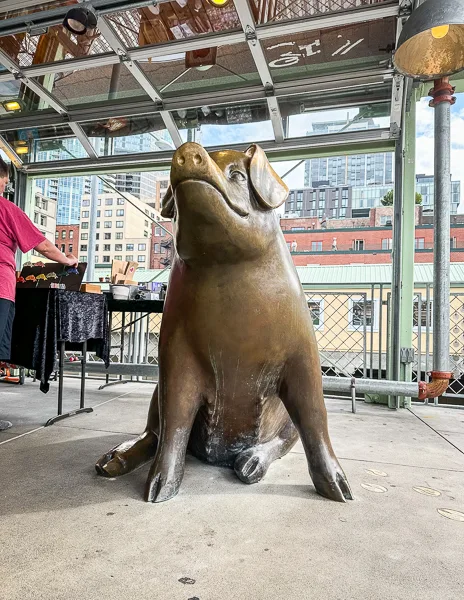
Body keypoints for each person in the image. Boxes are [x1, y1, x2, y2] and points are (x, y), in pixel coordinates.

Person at [0, 157, 78, 431]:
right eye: (6, 178)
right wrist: (66, 261)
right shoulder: (6, 209)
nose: (8, 183)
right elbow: (41, 245)